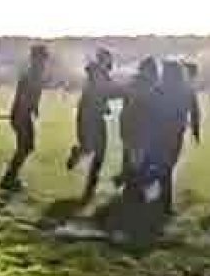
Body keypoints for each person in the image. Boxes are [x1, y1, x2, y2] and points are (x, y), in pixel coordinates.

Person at [66, 48, 121, 201]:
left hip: (91, 118)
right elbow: (106, 92)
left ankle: (79, 154)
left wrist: (106, 105)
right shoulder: (98, 75)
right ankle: (89, 189)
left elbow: (107, 92)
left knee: (93, 150)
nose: (111, 63)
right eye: (108, 60)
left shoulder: (99, 74)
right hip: (91, 119)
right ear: (103, 60)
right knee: (98, 153)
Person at [149, 59, 201, 214]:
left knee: (164, 166)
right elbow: (195, 112)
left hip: (160, 133)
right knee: (168, 166)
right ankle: (165, 202)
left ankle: (161, 198)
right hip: (175, 133)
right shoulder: (186, 90)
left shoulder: (158, 89)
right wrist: (196, 131)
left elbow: (149, 111)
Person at [0, 44, 49, 191]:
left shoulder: (36, 74)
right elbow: (23, 96)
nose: (45, 61)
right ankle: (8, 179)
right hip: (21, 115)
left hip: (23, 115)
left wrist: (34, 108)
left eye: (45, 58)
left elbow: (33, 95)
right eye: (43, 58)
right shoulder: (31, 74)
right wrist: (28, 110)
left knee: (27, 147)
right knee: (25, 147)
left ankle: (10, 177)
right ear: (36, 59)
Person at [116, 57, 160, 195]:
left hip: (133, 125)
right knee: (138, 158)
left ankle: (131, 185)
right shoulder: (147, 85)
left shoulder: (136, 83)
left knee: (133, 157)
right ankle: (134, 187)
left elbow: (126, 103)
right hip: (138, 126)